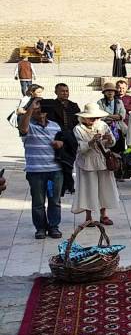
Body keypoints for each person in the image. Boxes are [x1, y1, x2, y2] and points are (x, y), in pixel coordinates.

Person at [19, 98, 64, 239]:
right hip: (35, 171)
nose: (39, 110)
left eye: (41, 107)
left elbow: (64, 142)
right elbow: (23, 129)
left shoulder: (55, 126)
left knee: (55, 201)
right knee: (38, 202)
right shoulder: (28, 125)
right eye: (36, 108)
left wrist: (61, 143)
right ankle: (40, 228)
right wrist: (30, 109)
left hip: (55, 170)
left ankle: (54, 227)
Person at [72, 103, 119, 225]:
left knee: (105, 188)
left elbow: (112, 143)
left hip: (103, 161)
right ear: (84, 117)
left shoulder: (103, 125)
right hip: (87, 162)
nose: (94, 120)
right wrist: (91, 141)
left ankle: (104, 214)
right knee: (88, 189)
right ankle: (88, 217)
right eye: (91, 118)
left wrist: (109, 139)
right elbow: (79, 148)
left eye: (96, 117)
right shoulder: (78, 129)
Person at [51, 83, 81, 196]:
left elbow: (78, 120)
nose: (65, 93)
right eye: (62, 91)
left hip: (71, 138)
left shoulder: (73, 105)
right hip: (58, 137)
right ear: (56, 92)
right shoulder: (52, 105)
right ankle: (66, 186)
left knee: (69, 161)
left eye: (66, 91)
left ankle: (68, 185)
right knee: (62, 162)